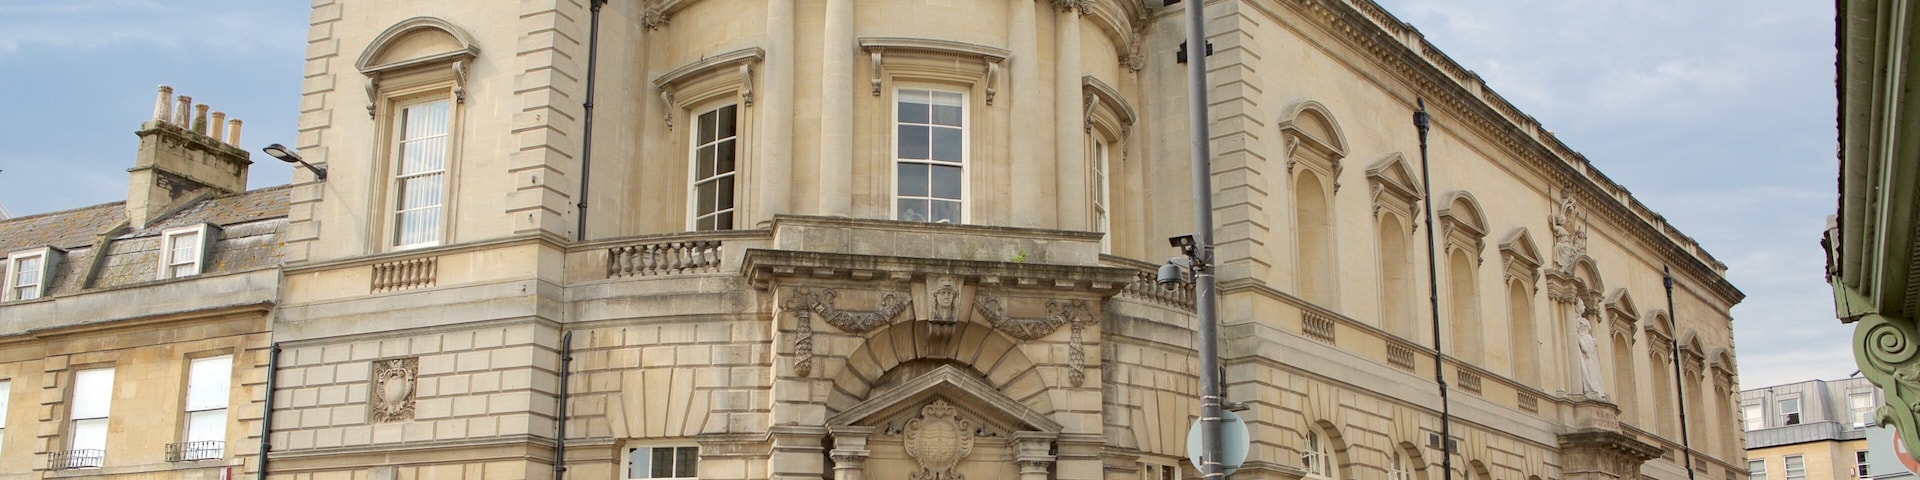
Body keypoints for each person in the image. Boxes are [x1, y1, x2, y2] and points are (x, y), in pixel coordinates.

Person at [1574, 299, 1606, 399]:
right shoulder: (1576, 320)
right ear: (1577, 307)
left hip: (1590, 344)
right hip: (1584, 343)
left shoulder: (1585, 320)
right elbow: (1575, 334)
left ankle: (1597, 389)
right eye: (1582, 305)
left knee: (1593, 368)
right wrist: (1582, 344)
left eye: (1584, 305)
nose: (1584, 307)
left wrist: (1593, 341)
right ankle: (1590, 388)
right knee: (1587, 366)